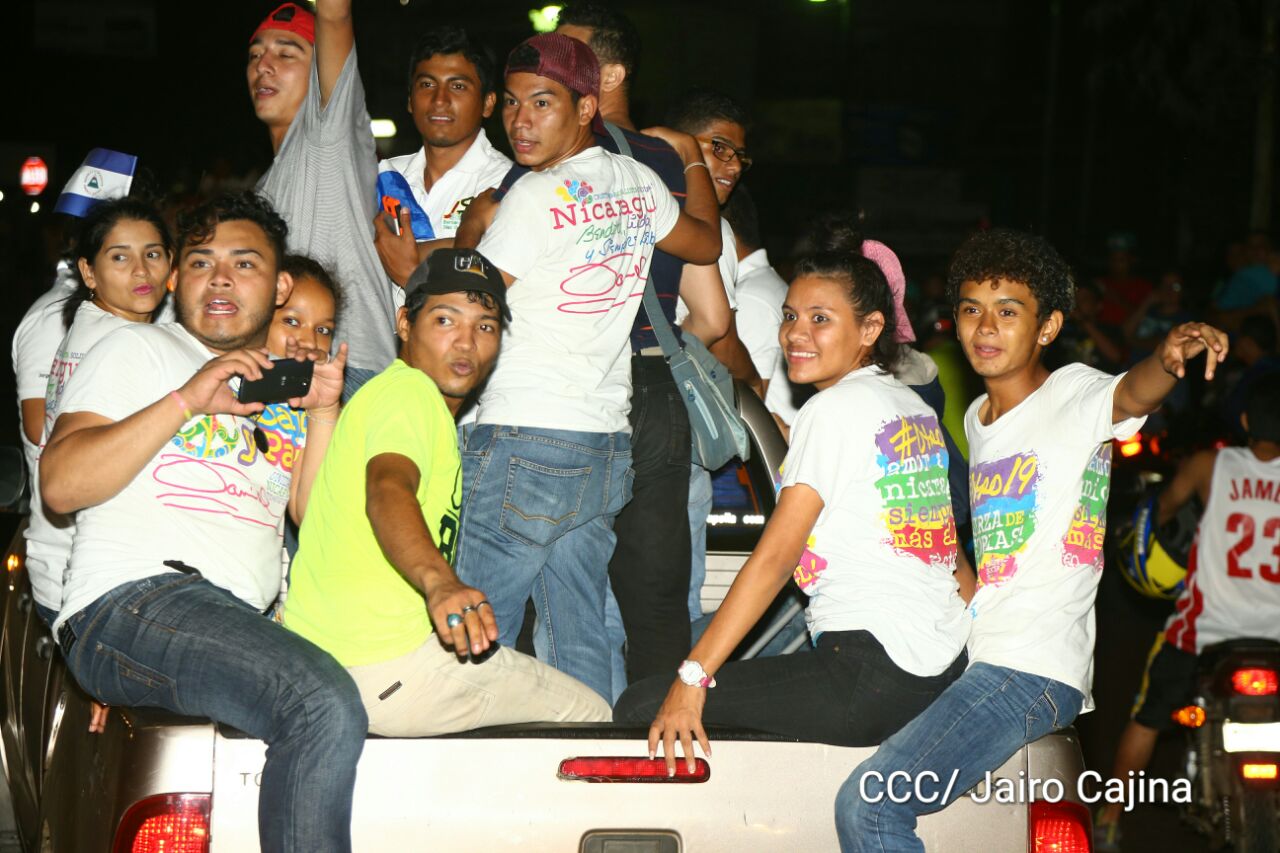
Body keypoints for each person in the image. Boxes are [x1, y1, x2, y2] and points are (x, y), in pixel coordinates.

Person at [836, 227, 1228, 853]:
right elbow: (997, 557)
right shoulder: (978, 419)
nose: (986, 327)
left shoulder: (1072, 393)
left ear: (1047, 328)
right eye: (972, 310)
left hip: (1030, 667)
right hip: (985, 654)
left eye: (1008, 311)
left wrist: (1168, 355)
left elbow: (1130, 390)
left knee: (870, 804)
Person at [39, 191, 364, 852]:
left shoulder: (274, 393)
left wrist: (323, 410)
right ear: (176, 280)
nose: (219, 278)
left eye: (244, 264)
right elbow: (60, 485)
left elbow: (309, 513)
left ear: (278, 287)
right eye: (200, 262)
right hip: (134, 599)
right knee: (319, 701)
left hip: (225, 617)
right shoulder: (137, 349)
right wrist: (187, 400)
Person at [615, 236, 969, 763]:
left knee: (642, 705)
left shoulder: (832, 411)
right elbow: (948, 551)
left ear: (870, 329)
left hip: (869, 670)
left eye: (820, 319)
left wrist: (693, 678)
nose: (795, 334)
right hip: (938, 663)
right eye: (789, 316)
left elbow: (777, 558)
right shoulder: (910, 408)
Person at [451, 33, 721, 702]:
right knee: (578, 631)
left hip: (522, 431)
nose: (520, 120)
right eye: (511, 103)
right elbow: (705, 242)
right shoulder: (638, 182)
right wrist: (692, 162)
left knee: (475, 624)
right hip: (603, 442)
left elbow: (464, 309)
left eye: (542, 103)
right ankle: (582, 747)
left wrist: (470, 234)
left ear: (585, 107)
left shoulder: (532, 196)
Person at [284, 250, 611, 733]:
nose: (465, 342)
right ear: (404, 323)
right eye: (444, 319)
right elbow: (388, 489)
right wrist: (441, 582)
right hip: (386, 667)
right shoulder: (410, 394)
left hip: (324, 662)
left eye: (485, 326)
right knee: (593, 715)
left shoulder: (388, 396)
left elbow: (318, 514)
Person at [552, 1, 731, 694]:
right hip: (656, 389)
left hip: (574, 391)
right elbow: (711, 314)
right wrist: (690, 159)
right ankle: (660, 733)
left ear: (610, 73)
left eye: (567, 58)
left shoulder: (549, 156)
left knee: (574, 593)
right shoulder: (663, 159)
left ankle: (579, 730)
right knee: (658, 602)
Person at [1094, 379, 1280, 851]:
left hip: (1205, 629)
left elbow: (1159, 514)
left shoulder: (1208, 465)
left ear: (1244, 422)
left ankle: (1110, 818)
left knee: (1149, 716)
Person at [25, 199, 173, 629]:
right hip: (90, 579)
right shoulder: (124, 342)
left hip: (59, 563)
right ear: (89, 272)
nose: (141, 271)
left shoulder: (90, 325)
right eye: (120, 257)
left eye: (152, 254)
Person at [250, 0, 393, 400]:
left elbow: (334, 14)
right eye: (255, 55)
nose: (264, 66)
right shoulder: (260, 191)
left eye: (285, 54)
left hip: (348, 369)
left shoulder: (329, 135)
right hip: (279, 366)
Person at [666, 87, 763, 625]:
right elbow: (719, 334)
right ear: (681, 145)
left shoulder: (632, 204)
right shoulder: (707, 229)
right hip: (674, 433)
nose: (732, 166)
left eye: (739, 156)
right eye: (718, 147)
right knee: (674, 595)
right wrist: (758, 390)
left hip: (609, 420)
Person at [372, 26, 513, 286]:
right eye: (427, 84)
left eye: (458, 86)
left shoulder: (508, 184)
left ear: (488, 103)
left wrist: (406, 260)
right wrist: (455, 246)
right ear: (410, 100)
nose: (439, 99)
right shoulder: (385, 175)